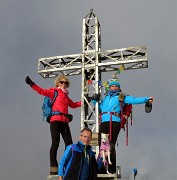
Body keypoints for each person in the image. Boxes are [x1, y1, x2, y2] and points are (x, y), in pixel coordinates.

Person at [91, 78, 154, 173]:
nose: (114, 87)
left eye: (116, 86)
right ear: (110, 87)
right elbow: (99, 107)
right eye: (112, 86)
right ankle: (102, 168)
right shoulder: (106, 98)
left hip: (114, 121)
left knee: (111, 144)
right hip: (104, 121)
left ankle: (111, 169)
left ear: (119, 88)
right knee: (102, 144)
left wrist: (146, 99)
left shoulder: (121, 97)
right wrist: (94, 100)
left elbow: (134, 100)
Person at [25, 75, 81, 175]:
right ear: (58, 83)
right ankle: (53, 167)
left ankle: (67, 164)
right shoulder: (54, 92)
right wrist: (32, 84)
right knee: (56, 143)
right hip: (55, 120)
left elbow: (73, 105)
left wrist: (85, 101)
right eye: (62, 82)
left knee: (69, 144)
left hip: (64, 121)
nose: (64, 84)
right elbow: (42, 91)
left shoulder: (66, 95)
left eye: (66, 83)